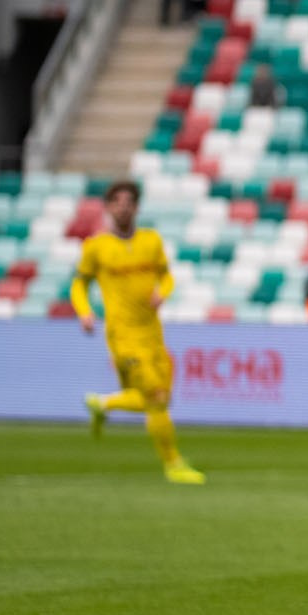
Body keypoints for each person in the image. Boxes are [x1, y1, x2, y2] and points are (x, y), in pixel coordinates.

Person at [75, 182, 202, 484]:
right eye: (117, 202)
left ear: (136, 207)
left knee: (161, 399)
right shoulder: (96, 247)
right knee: (155, 396)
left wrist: (163, 292)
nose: (123, 207)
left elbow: (167, 276)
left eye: (129, 202)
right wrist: (84, 311)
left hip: (153, 333)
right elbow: (79, 284)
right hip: (123, 335)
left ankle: (102, 403)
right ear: (109, 208)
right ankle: (173, 464)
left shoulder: (151, 241)